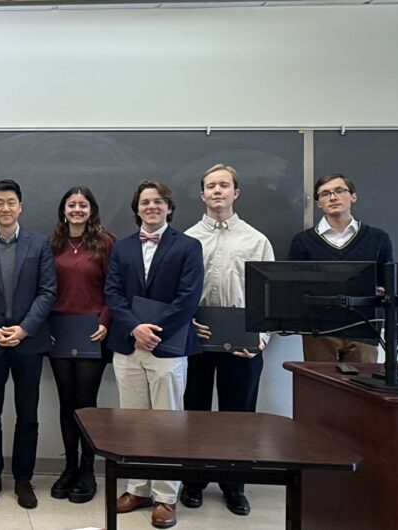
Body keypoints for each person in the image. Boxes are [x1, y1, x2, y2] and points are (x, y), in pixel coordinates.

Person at [104, 179, 204, 529]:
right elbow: (113, 292)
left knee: (168, 423)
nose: (151, 207)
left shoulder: (189, 246)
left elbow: (188, 298)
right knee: (133, 420)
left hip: (169, 346)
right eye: (145, 202)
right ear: (136, 209)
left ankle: (165, 497)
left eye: (158, 202)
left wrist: (153, 331)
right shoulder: (123, 247)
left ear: (169, 207)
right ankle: (138, 489)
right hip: (128, 346)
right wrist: (135, 328)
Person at [179, 164, 275, 516]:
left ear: (237, 192)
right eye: (210, 186)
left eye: (224, 185)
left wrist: (262, 339)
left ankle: (234, 485)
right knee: (195, 412)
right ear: (202, 194)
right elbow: (178, 292)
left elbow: (269, 297)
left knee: (239, 416)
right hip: (196, 340)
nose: (217, 191)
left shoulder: (256, 240)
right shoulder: (187, 240)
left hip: (243, 343)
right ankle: (193, 482)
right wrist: (185, 325)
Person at [0, 179, 56, 510]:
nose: (5, 208)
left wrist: (24, 329)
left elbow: (47, 291)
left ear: (21, 206)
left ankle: (23, 478)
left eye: (11, 202)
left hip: (28, 343)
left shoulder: (39, 244)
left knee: (27, 414)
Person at [46, 186, 114, 504]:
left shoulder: (104, 242)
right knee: (66, 402)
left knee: (86, 404)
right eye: (71, 204)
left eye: (82, 204)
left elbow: (115, 287)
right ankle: (69, 466)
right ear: (63, 210)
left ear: (91, 209)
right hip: (59, 331)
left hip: (92, 332)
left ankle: (88, 470)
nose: (76, 209)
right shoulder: (53, 243)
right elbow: (43, 288)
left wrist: (105, 321)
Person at [287, 173, 393, 363]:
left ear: (353, 196)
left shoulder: (378, 239)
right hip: (319, 330)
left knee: (361, 388)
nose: (333, 197)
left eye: (339, 191)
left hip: (364, 327)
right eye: (325, 194)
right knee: (321, 387)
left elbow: (388, 284)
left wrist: (383, 292)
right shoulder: (302, 242)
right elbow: (293, 288)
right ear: (319, 203)